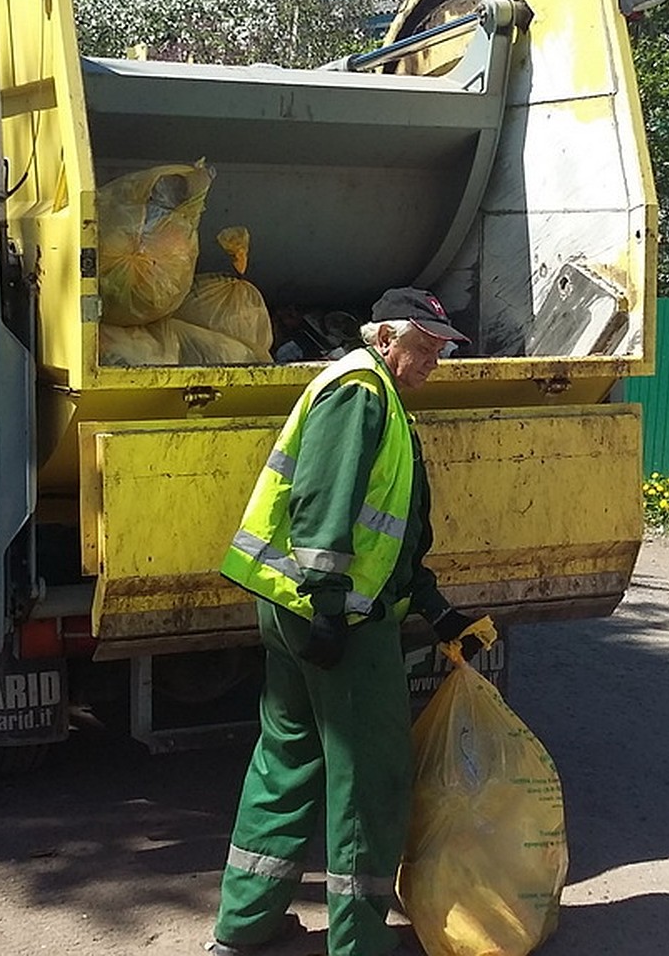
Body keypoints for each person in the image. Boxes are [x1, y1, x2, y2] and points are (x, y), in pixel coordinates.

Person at [210, 286, 483, 956]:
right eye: (424, 348)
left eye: (441, 351)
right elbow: (324, 504)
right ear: (386, 339)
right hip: (333, 617)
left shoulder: (372, 393)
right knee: (370, 778)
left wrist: (434, 608)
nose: (433, 364)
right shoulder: (360, 391)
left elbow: (388, 530)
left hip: (293, 606)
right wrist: (330, 607)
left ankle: (243, 926)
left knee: (288, 760)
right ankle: (358, 942)